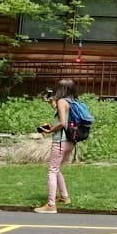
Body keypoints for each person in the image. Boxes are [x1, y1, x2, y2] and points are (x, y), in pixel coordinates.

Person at [34, 79, 79, 213]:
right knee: (57, 168)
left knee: (52, 171)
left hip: (60, 141)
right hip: (70, 141)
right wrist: (51, 103)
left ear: (61, 89)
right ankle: (64, 197)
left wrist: (50, 130)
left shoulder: (62, 101)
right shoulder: (73, 102)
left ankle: (51, 205)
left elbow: (62, 122)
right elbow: (62, 112)